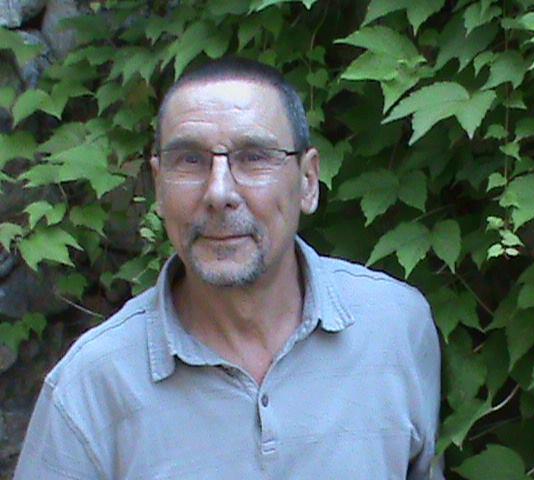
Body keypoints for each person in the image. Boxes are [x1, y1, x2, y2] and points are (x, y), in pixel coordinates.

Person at [14, 57, 444, 479]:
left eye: (254, 157)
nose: (219, 193)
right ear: (159, 187)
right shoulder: (92, 387)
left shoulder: (393, 328)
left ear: (308, 181)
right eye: (190, 160)